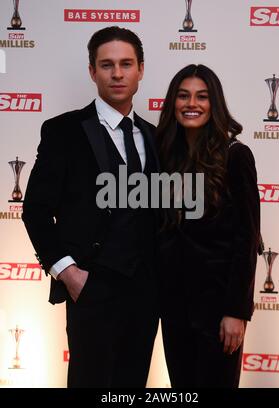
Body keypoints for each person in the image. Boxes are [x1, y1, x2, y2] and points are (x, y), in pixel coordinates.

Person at [22, 26, 159, 388]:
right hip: (90, 286)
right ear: (92, 71)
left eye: (126, 64)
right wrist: (69, 274)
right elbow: (35, 210)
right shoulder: (62, 131)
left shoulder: (156, 136)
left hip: (146, 292)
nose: (117, 73)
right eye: (107, 64)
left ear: (141, 69)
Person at [156, 64, 260, 388]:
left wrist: (236, 311)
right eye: (183, 95)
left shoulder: (236, 156)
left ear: (214, 103)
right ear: (173, 102)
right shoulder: (164, 158)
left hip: (219, 310)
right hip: (174, 308)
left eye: (202, 96)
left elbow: (247, 238)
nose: (192, 103)